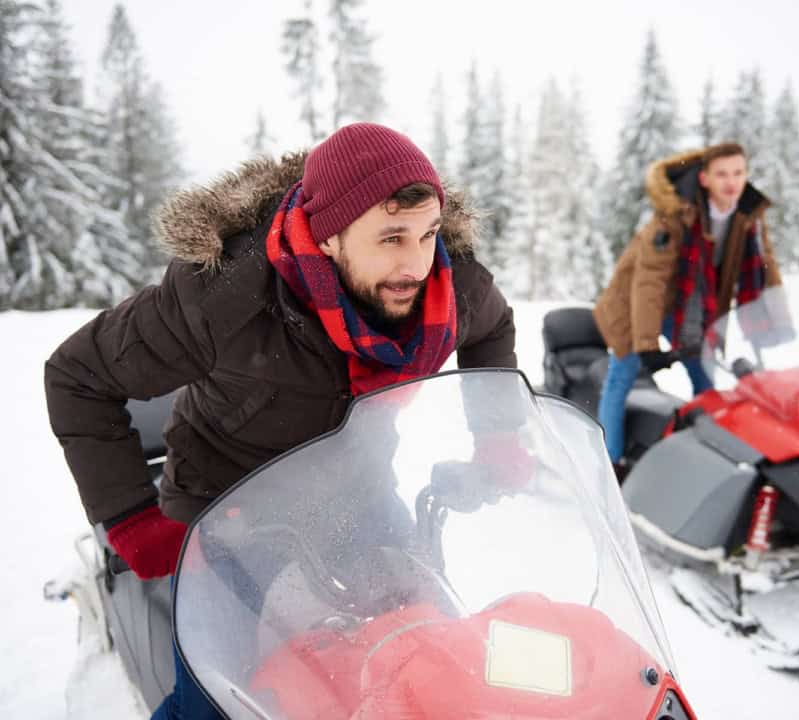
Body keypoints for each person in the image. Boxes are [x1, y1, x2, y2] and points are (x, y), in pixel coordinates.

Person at [44, 122, 517, 719]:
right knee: (217, 697)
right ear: (327, 238)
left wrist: (499, 437)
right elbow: (77, 375)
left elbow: (493, 329)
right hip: (227, 508)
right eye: (391, 238)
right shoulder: (222, 298)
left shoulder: (448, 286)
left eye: (426, 235)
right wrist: (134, 521)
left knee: (437, 651)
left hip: (360, 494)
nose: (416, 263)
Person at [593, 142, 783, 467]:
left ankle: (711, 454)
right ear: (705, 179)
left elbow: (767, 269)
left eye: (738, 173)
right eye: (722, 174)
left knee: (704, 372)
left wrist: (776, 319)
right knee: (621, 374)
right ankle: (607, 461)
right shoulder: (674, 214)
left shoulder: (747, 217)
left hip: (688, 309)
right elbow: (648, 281)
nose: (731, 182)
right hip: (636, 304)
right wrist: (647, 344)